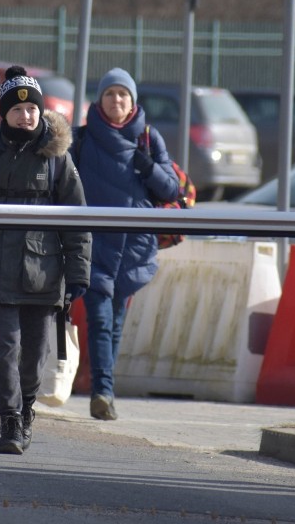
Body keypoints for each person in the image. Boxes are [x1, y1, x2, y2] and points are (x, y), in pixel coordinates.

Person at [0, 66, 91, 455]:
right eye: (17, 109)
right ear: (5, 113)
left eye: (32, 109)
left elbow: (78, 221)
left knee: (35, 356)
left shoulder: (58, 159)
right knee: (6, 352)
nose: (25, 115)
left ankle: (27, 407)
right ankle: (10, 421)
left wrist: (78, 273)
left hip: (43, 276)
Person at [72, 67, 179, 421]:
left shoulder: (149, 139)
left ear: (132, 101)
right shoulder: (82, 140)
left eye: (123, 94)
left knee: (116, 321)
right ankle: (103, 391)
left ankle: (106, 389)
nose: (116, 100)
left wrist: (148, 169)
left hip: (133, 248)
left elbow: (171, 190)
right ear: (99, 100)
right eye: (109, 94)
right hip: (92, 245)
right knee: (100, 320)